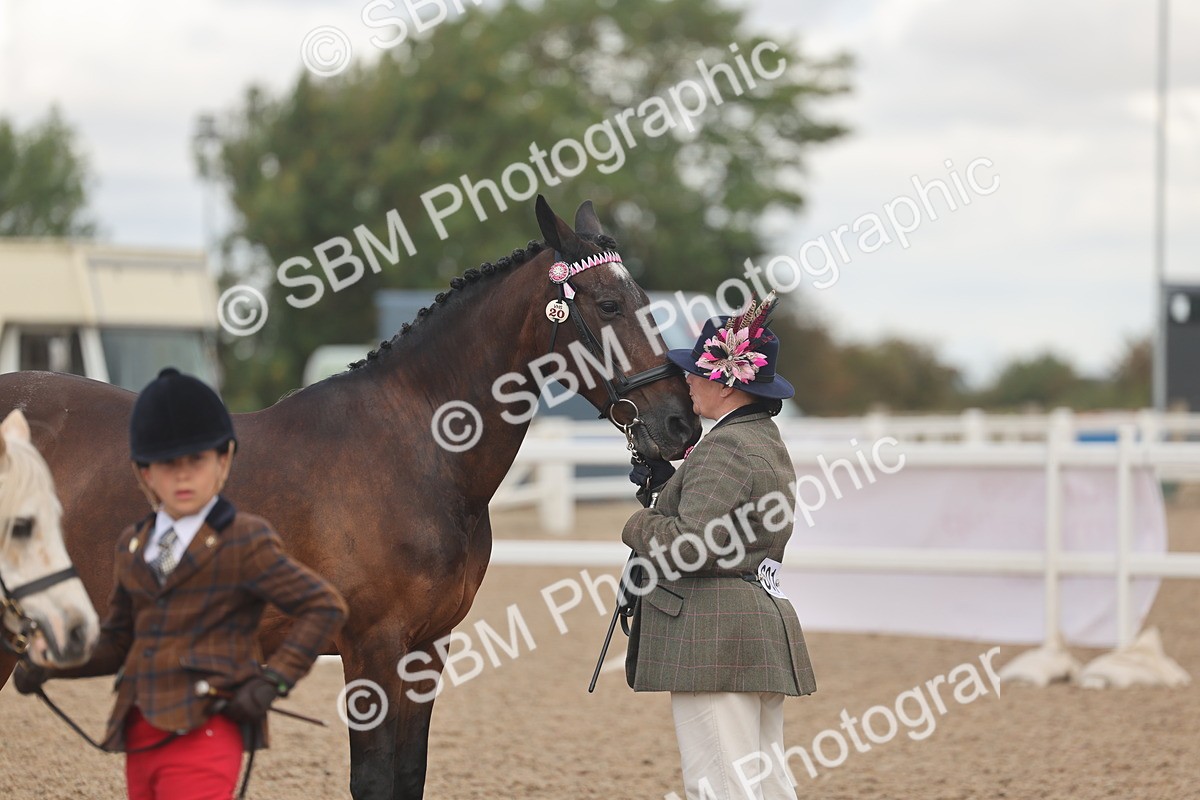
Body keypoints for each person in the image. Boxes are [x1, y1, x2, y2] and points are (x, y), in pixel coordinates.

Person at [14, 367, 348, 800]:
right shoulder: (135, 546)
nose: (184, 476)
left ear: (224, 463)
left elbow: (323, 606)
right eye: (168, 465)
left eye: (198, 461)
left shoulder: (245, 540)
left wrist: (274, 683)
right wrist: (52, 663)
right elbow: (119, 641)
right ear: (144, 475)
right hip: (140, 736)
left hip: (207, 737)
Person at [623, 293, 816, 800]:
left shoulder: (725, 447)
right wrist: (670, 489)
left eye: (695, 371)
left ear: (726, 383)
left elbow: (691, 546)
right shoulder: (763, 439)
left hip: (715, 636)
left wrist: (639, 523)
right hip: (752, 628)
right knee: (766, 781)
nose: (686, 380)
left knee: (719, 782)